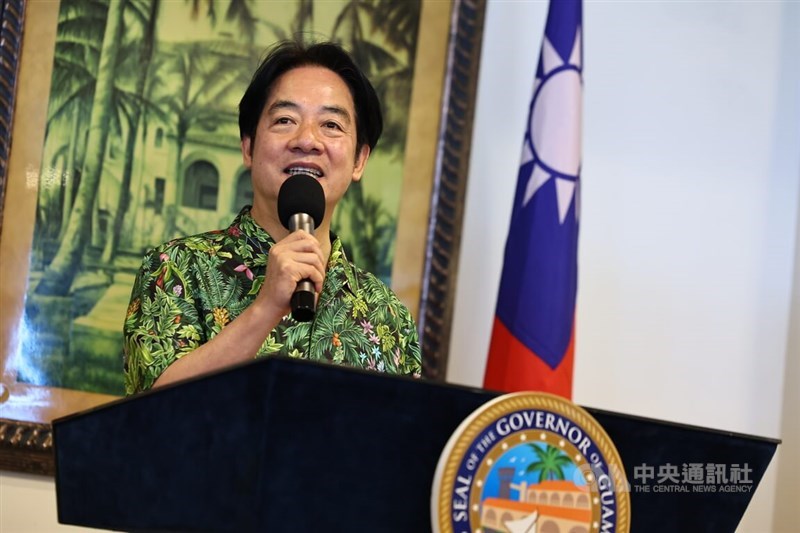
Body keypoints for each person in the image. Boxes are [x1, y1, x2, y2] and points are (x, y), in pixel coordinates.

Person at [123, 40, 422, 394]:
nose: (307, 140)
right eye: (285, 120)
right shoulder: (175, 267)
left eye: (331, 125)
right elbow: (149, 418)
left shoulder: (388, 315)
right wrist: (265, 307)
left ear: (359, 160)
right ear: (248, 146)